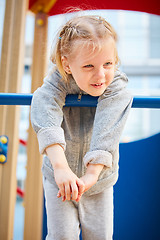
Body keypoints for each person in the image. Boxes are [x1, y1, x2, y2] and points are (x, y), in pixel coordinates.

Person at [30, 13, 133, 240]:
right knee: (62, 236)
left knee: (99, 236)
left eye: (108, 63)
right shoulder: (57, 81)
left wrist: (93, 173)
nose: (100, 75)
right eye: (88, 65)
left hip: (99, 181)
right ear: (66, 64)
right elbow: (44, 107)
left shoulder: (116, 85)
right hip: (60, 178)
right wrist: (60, 167)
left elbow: (108, 128)